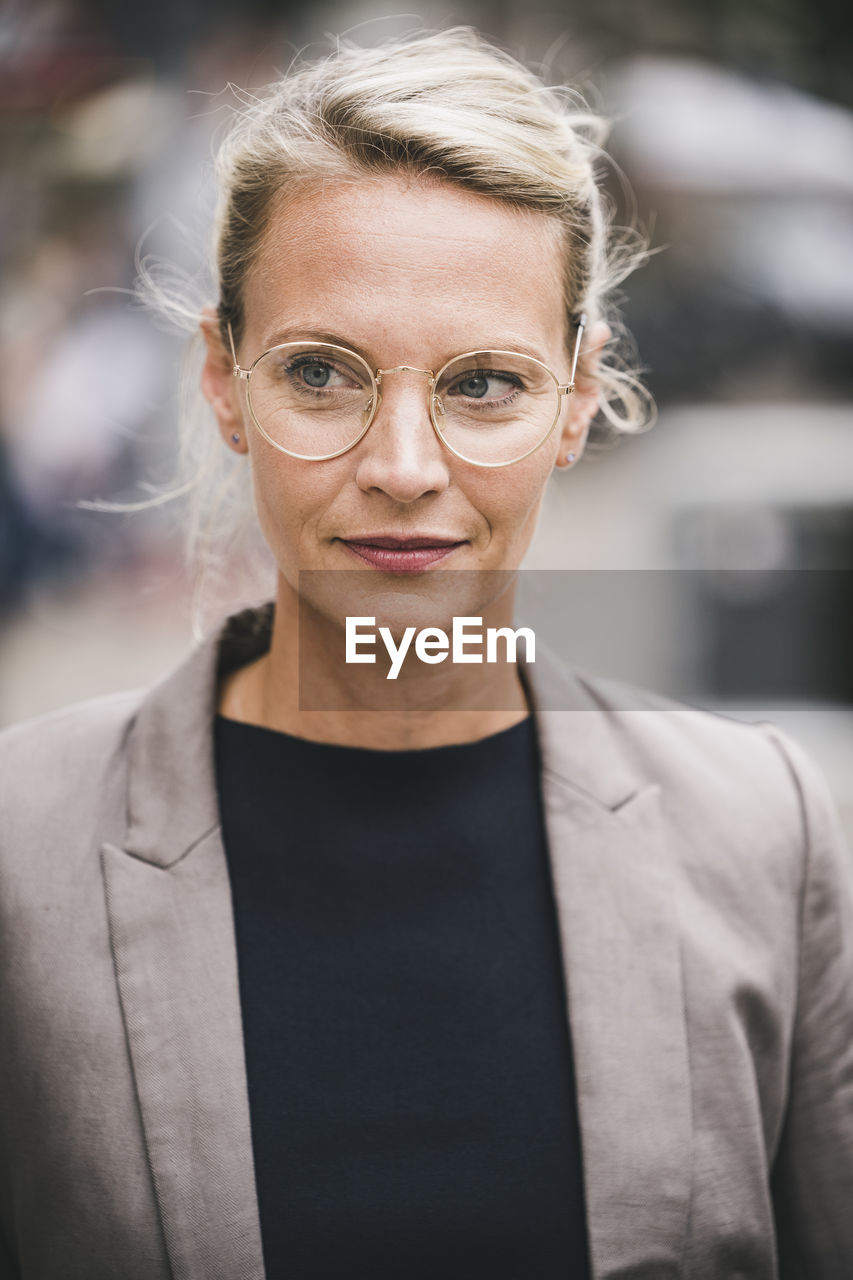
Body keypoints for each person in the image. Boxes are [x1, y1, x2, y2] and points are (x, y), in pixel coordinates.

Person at [0, 26, 851, 1280]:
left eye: (486, 385)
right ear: (224, 383)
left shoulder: (761, 833)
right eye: (323, 374)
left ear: (575, 399)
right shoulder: (23, 848)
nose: (403, 468)